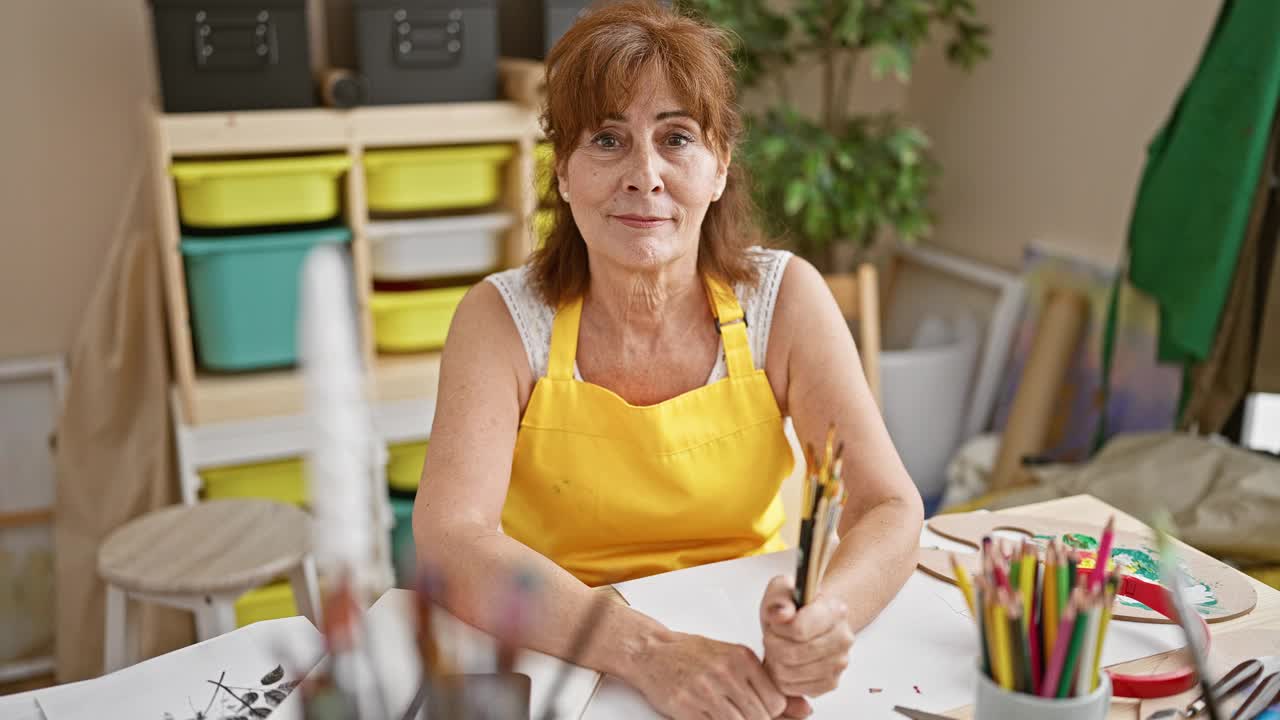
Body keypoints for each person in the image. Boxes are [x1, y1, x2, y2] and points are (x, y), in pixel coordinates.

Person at [414, 2, 923, 717]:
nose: (644, 175)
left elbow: (890, 504)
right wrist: (646, 652)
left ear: (719, 167)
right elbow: (451, 541)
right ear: (562, 172)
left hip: (742, 644)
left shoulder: (783, 298)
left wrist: (824, 618)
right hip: (563, 652)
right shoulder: (499, 318)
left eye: (676, 137)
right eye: (607, 140)